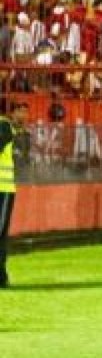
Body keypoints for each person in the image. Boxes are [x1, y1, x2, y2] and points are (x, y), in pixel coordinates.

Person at [0, 100, 29, 287]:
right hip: (3, 188)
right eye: (21, 111)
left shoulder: (7, 128)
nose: (24, 116)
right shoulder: (4, 126)